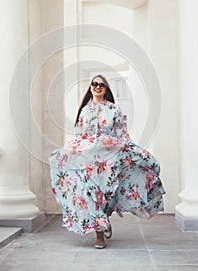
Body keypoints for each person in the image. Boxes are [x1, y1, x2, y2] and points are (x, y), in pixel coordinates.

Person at [49, 75, 165, 249]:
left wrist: (130, 148)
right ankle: (99, 235)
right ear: (90, 88)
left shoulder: (114, 109)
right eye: (94, 84)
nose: (97, 87)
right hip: (89, 159)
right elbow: (80, 135)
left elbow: (121, 134)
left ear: (106, 89)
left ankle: (105, 221)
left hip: (109, 158)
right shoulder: (84, 111)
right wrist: (73, 151)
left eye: (101, 85)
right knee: (93, 193)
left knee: (106, 194)